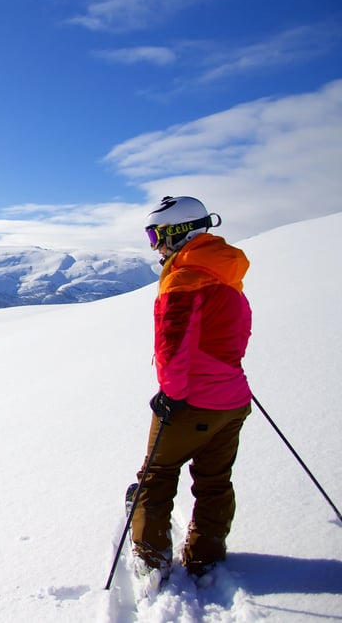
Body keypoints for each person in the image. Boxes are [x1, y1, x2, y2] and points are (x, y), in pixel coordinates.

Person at [131, 196, 253, 581]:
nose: (155, 246)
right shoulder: (223, 270)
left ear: (177, 232)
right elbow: (234, 333)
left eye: (156, 235)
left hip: (191, 399)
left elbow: (173, 344)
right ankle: (206, 555)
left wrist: (171, 393)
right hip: (232, 397)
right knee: (215, 479)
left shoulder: (184, 278)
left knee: (157, 475)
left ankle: (150, 561)